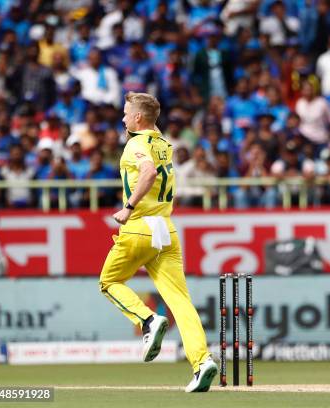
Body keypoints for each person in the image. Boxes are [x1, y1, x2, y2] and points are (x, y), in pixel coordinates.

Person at [98, 92, 217, 392]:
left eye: (126, 113)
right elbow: (154, 137)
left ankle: (149, 320)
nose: (123, 118)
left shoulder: (135, 143)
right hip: (166, 229)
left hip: (139, 226)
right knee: (180, 301)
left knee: (109, 282)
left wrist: (128, 207)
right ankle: (202, 362)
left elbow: (148, 172)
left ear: (138, 118)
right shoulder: (163, 144)